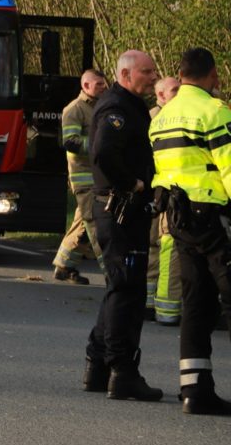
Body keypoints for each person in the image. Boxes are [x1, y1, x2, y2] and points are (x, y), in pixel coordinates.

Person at [148, 48, 231, 414]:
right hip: (213, 215)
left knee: (196, 301)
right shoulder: (214, 111)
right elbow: (228, 165)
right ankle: (198, 391)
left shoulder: (162, 118)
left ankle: (195, 390)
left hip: (178, 217)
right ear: (212, 75)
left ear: (180, 75)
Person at [82, 49, 162, 401]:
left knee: (120, 288)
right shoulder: (117, 107)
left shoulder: (130, 104)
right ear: (126, 74)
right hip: (119, 209)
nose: (153, 77)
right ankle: (122, 371)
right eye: (147, 71)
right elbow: (102, 153)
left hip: (124, 210)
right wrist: (132, 184)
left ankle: (97, 367)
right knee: (128, 291)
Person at [51, 69, 108, 285]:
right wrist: (101, 145)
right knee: (96, 225)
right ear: (85, 86)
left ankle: (64, 265)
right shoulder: (74, 109)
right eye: (99, 85)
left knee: (81, 223)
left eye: (104, 84)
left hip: (98, 176)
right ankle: (111, 274)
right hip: (84, 179)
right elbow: (71, 141)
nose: (104, 88)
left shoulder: (100, 107)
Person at [147, 75, 183, 324]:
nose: (180, 93)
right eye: (174, 90)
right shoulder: (155, 118)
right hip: (160, 192)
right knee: (160, 248)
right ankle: (161, 306)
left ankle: (152, 303)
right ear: (160, 95)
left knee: (157, 248)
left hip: (161, 193)